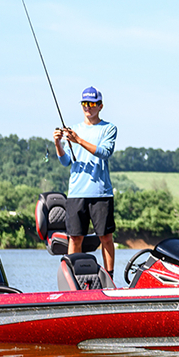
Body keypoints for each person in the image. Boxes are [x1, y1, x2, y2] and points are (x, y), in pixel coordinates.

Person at [53, 86, 118, 279]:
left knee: (105, 237)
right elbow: (65, 161)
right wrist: (58, 144)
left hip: (101, 193)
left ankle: (110, 276)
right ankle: (74, 277)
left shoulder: (108, 128)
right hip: (76, 193)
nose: (87, 107)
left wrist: (78, 140)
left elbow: (104, 152)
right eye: (84, 103)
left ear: (100, 106)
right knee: (75, 238)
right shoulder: (74, 130)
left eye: (91, 103)